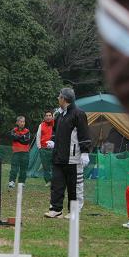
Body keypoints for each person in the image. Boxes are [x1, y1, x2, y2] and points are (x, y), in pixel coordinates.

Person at [44, 88, 91, 219]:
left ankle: (74, 211)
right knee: (56, 184)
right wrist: (53, 142)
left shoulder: (79, 114)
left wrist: (85, 152)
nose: (58, 99)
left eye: (59, 97)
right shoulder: (59, 115)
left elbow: (84, 134)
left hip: (73, 157)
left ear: (64, 99)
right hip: (58, 156)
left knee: (74, 186)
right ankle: (56, 209)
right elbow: (55, 132)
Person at [8, 116, 31, 188]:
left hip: (25, 152)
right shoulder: (13, 130)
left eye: (23, 121)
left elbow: (26, 141)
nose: (22, 123)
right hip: (16, 152)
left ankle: (22, 182)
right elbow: (13, 137)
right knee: (14, 168)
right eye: (20, 121)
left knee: (24, 168)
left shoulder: (27, 131)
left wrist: (18, 137)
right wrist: (21, 137)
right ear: (17, 122)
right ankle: (12, 181)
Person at [36, 111, 54, 187]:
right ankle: (48, 181)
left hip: (54, 149)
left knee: (55, 165)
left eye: (50, 115)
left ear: (52, 116)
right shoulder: (41, 125)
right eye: (46, 115)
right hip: (43, 149)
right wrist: (39, 147)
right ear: (44, 117)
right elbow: (38, 136)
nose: (48, 117)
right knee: (46, 166)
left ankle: (56, 181)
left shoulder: (56, 125)